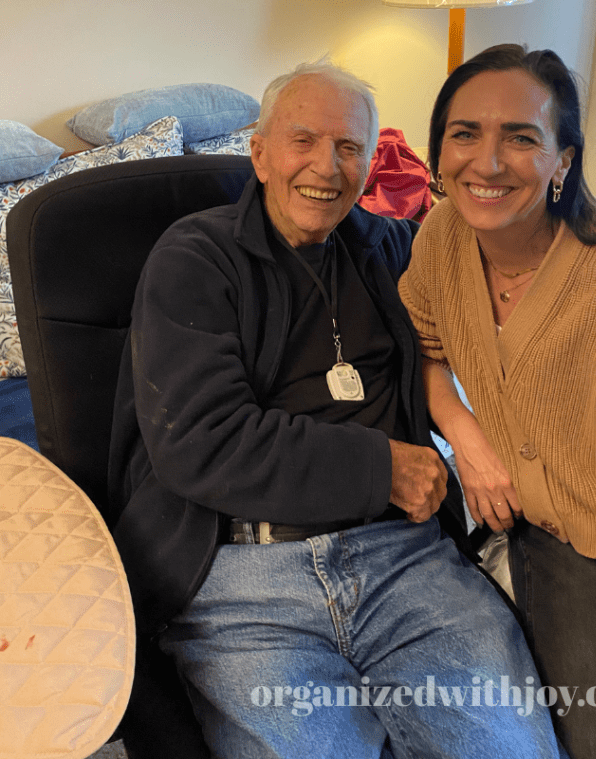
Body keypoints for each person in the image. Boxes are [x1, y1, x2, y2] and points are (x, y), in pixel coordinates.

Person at [108, 61, 561, 759]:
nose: (326, 166)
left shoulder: (393, 249)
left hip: (405, 561)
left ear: (370, 163)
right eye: (303, 141)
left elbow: (499, 292)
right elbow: (200, 439)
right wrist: (383, 467)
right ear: (260, 154)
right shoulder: (195, 256)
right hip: (245, 575)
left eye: (349, 147)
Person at [399, 44, 596, 759]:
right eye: (465, 134)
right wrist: (465, 435)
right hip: (543, 537)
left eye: (521, 138)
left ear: (563, 161)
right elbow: (423, 349)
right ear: (439, 153)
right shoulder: (440, 237)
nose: (487, 162)